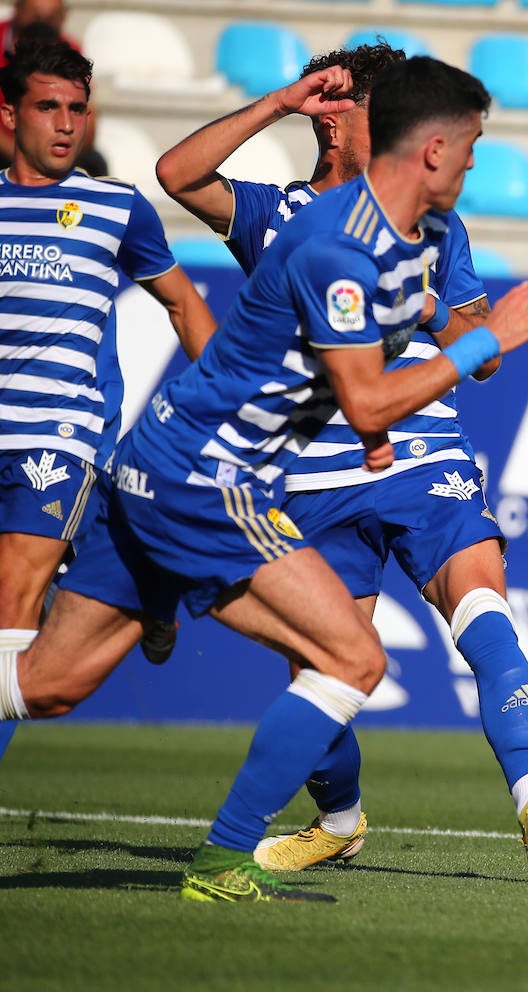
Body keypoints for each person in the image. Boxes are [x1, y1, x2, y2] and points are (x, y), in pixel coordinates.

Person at [0, 56, 528, 904]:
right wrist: (490, 339)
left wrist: (379, 425)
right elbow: (368, 400)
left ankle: (280, 831)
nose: (477, 164)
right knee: (350, 655)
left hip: (157, 463)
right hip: (209, 480)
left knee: (46, 684)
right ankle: (223, 862)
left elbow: (330, 373)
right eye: (473, 147)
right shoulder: (336, 243)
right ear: (434, 149)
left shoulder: (386, 237)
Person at [155, 41, 528, 878]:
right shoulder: (280, 214)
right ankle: (340, 820)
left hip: (424, 449)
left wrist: (425, 300)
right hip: (316, 471)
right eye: (375, 103)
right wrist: (281, 101)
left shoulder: (437, 222)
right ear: (335, 120)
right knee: (324, 670)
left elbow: (483, 349)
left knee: (483, 608)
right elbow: (177, 173)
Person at [0, 38, 214, 759]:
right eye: (49, 107)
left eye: (78, 110)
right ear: (8, 112)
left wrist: (232, 402)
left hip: (58, 440)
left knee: (11, 611)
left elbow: (184, 305)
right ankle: (148, 589)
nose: (66, 123)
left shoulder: (114, 206)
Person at [0, 2, 105, 173]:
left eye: (50, 17)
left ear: (63, 17)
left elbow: (89, 122)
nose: (41, 22)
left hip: (46, 150)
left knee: (94, 163)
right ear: (17, 9)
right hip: (9, 150)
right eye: (34, 14)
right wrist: (24, 156)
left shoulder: (71, 51)